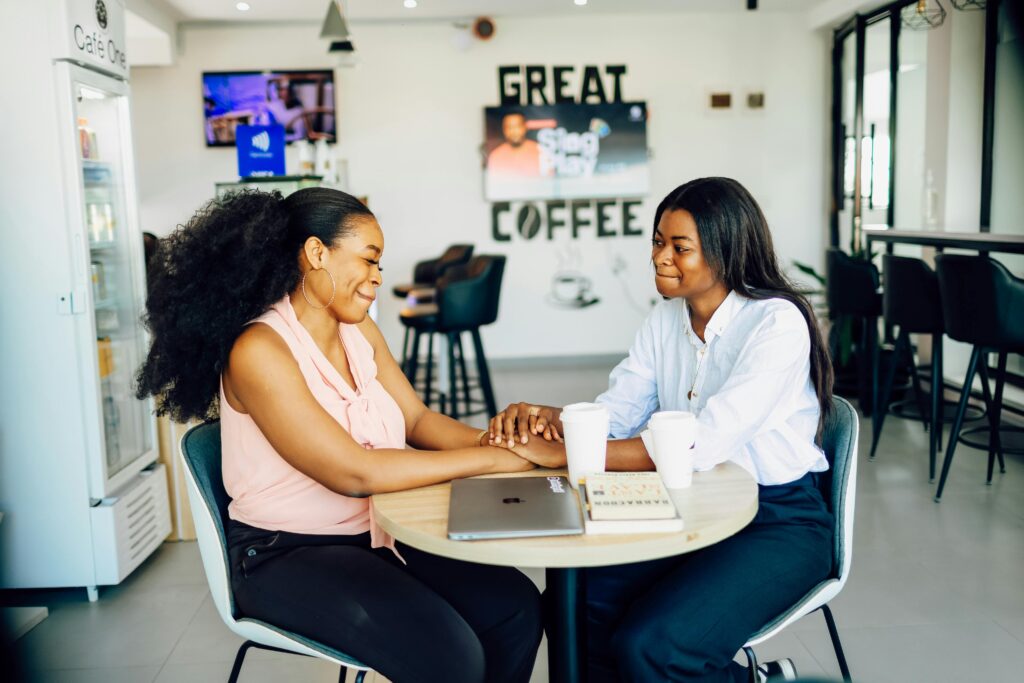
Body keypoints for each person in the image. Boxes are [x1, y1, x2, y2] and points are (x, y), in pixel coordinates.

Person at [135, 188, 542, 683]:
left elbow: (416, 420)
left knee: (515, 609)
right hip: (286, 554)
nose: (377, 278)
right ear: (316, 253)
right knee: (451, 655)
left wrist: (500, 442)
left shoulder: (359, 329)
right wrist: (496, 462)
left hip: (376, 535)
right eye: (369, 260)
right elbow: (354, 472)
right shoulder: (259, 349)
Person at [489, 177, 835, 683]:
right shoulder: (663, 319)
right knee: (580, 604)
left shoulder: (775, 324)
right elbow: (620, 411)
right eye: (657, 242)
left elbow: (701, 443)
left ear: (724, 251)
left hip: (778, 520)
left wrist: (566, 455)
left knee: (653, 646)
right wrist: (555, 419)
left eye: (679, 247)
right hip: (691, 504)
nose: (659, 257)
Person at [487, 112, 546, 176]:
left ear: (525, 127)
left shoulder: (541, 151)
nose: (513, 131)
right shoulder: (495, 156)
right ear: (504, 130)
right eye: (509, 127)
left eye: (517, 126)